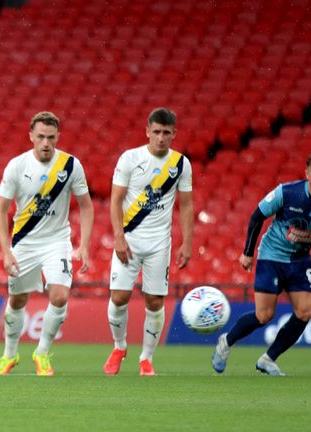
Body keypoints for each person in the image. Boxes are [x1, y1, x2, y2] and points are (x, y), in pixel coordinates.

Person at [212, 150, 311, 376]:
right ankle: (226, 341)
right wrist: (248, 253)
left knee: (305, 313)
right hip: (271, 255)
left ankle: (268, 359)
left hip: (300, 259)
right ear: (307, 172)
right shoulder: (286, 193)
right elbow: (257, 216)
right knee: (264, 316)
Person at [0, 111, 93, 376]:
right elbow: (1, 210)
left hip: (57, 241)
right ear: (31, 136)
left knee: (59, 295)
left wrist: (83, 244)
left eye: (50, 137)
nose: (46, 143)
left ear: (58, 136)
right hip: (24, 242)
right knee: (17, 300)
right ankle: (9, 355)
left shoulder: (71, 166)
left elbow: (86, 206)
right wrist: (6, 251)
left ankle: (42, 352)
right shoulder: (17, 166)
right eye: (40, 137)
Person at [103, 107, 194, 376]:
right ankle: (119, 347)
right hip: (129, 239)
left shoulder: (181, 164)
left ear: (174, 134)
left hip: (159, 243)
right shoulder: (130, 158)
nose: (161, 138)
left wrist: (187, 242)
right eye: (156, 132)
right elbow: (115, 200)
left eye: (166, 133)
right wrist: (118, 237)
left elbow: (186, 206)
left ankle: (146, 359)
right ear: (147, 132)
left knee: (154, 302)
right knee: (119, 297)